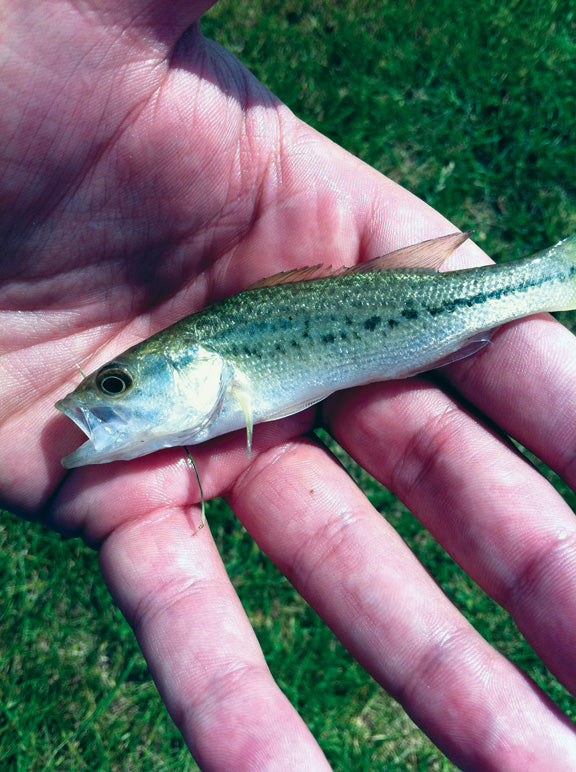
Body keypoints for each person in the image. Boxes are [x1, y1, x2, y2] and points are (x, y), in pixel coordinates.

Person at [2, 1, 576, 768]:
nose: (96, 400)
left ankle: (551, 275)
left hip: (428, 309)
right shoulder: (209, 378)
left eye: (115, 383)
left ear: (192, 362)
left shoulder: (221, 363)